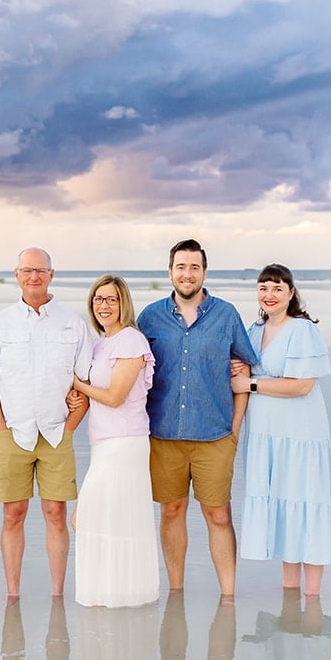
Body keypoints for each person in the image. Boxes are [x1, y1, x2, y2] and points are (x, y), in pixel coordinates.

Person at [137, 239, 260, 598]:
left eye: (194, 267)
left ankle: (228, 597)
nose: (187, 274)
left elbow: (244, 369)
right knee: (172, 511)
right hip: (163, 435)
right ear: (170, 272)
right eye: (180, 267)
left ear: (204, 272)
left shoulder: (226, 315)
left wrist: (234, 429)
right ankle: (176, 593)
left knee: (218, 514)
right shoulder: (150, 317)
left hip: (215, 435)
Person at [0, 247, 92, 598]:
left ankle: (56, 594)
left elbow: (84, 383)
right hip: (13, 434)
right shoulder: (0, 324)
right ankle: (13, 594)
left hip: (57, 433)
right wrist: (0, 431)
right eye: (27, 270)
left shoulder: (73, 324)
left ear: (52, 274)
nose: (34, 276)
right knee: (14, 514)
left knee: (55, 513)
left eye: (40, 270)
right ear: (16, 274)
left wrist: (69, 428)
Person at [230, 264, 331, 597]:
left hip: (301, 435)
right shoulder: (253, 330)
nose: (269, 295)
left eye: (278, 288)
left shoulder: (302, 329)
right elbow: (240, 368)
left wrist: (249, 383)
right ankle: (290, 597)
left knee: (306, 501)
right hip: (266, 435)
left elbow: (302, 385)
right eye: (263, 288)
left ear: (291, 293)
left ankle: (313, 599)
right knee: (283, 505)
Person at [69, 274, 159, 608]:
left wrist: (77, 384)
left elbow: (115, 396)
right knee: (104, 516)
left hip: (125, 441)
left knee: (95, 515)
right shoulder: (99, 344)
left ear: (123, 303)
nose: (104, 306)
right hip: (103, 443)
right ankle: (107, 596)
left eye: (111, 299)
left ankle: (126, 596)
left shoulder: (131, 340)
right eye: (98, 299)